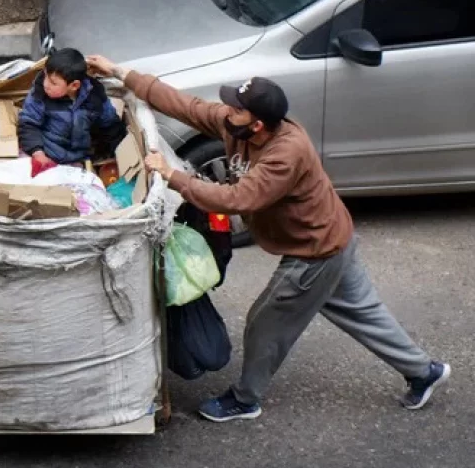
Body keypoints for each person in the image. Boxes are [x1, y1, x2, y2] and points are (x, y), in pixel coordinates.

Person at [86, 54, 451, 422]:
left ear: (258, 124)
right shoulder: (238, 125)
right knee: (365, 314)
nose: (227, 111)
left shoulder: (285, 154)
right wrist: (120, 72)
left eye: (236, 109)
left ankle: (245, 399)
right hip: (334, 237)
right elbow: (188, 106)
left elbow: (237, 199)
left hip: (315, 251)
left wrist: (172, 175)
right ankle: (425, 372)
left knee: (265, 324)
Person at [18, 48, 127, 174]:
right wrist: (37, 152)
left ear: (74, 85)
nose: (46, 84)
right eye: (45, 76)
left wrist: (118, 155)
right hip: (45, 153)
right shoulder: (39, 94)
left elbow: (111, 126)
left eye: (53, 83)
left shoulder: (95, 97)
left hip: (77, 159)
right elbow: (28, 123)